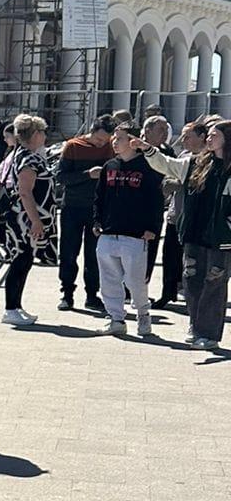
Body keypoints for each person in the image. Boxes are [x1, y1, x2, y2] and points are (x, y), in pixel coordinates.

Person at [92, 120, 165, 339]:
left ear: (133, 141)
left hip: (135, 235)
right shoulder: (109, 166)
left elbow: (156, 201)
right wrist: (97, 221)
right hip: (108, 232)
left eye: (120, 138)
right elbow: (99, 197)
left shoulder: (148, 167)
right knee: (108, 279)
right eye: (114, 137)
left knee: (135, 281)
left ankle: (143, 313)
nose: (115, 141)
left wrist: (152, 227)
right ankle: (116, 318)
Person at [178, 118, 230, 351]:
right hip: (195, 232)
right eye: (208, 134)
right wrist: (148, 150)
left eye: (214, 135)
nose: (208, 138)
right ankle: (195, 325)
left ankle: (208, 334)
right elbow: (170, 165)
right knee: (191, 280)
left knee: (215, 283)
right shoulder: (199, 163)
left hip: (222, 238)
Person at [54, 115, 113, 312]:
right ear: (91, 132)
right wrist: (88, 174)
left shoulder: (111, 147)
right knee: (69, 252)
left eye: (105, 140)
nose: (101, 143)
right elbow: (61, 177)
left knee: (95, 254)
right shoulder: (73, 146)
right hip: (73, 206)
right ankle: (67, 294)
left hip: (98, 208)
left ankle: (92, 295)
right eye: (99, 139)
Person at [0, 114, 53, 325]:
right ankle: (10, 308)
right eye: (43, 132)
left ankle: (16, 305)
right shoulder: (28, 159)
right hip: (23, 220)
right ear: (36, 134)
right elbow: (25, 191)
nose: (45, 136)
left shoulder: (25, 154)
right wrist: (36, 220)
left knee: (25, 261)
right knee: (19, 261)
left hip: (25, 218)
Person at [139, 116, 176, 293]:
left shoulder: (167, 152)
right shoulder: (134, 150)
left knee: (151, 248)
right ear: (147, 131)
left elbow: (174, 171)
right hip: (134, 206)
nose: (165, 134)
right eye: (161, 130)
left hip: (156, 206)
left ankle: (142, 287)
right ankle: (126, 289)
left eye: (166, 130)